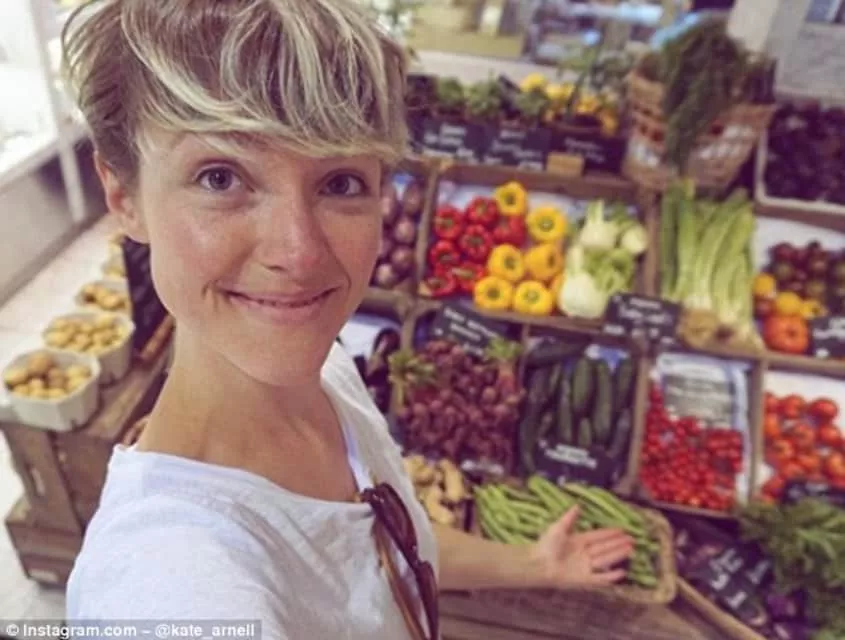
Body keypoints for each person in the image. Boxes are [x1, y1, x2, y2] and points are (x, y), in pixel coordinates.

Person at [62, 1, 635, 638]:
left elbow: (381, 546)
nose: (298, 252)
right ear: (123, 196)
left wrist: (534, 564)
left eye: (340, 183)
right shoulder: (167, 586)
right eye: (220, 177)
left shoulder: (328, 374)